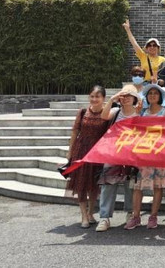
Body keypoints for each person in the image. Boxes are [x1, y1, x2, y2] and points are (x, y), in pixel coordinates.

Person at [124, 84, 165, 230]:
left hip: (160, 154)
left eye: (155, 93)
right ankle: (136, 216)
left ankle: (153, 216)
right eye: (150, 93)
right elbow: (134, 129)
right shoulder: (143, 112)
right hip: (143, 153)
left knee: (158, 186)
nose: (152, 95)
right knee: (138, 186)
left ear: (160, 96)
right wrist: (137, 114)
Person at [65, 86, 112, 229]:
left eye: (97, 96)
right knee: (81, 184)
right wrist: (70, 151)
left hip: (97, 153)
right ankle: (83, 215)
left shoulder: (107, 113)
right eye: (92, 96)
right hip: (81, 151)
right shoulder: (83, 112)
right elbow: (75, 132)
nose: (94, 99)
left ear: (103, 98)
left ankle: (91, 213)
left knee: (93, 185)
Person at [95, 85, 141, 232]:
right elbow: (103, 116)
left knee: (130, 185)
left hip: (131, 154)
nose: (126, 98)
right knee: (108, 184)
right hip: (113, 152)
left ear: (134, 98)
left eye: (129, 96)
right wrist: (112, 99)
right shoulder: (115, 112)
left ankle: (130, 213)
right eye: (123, 96)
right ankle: (104, 217)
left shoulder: (139, 114)